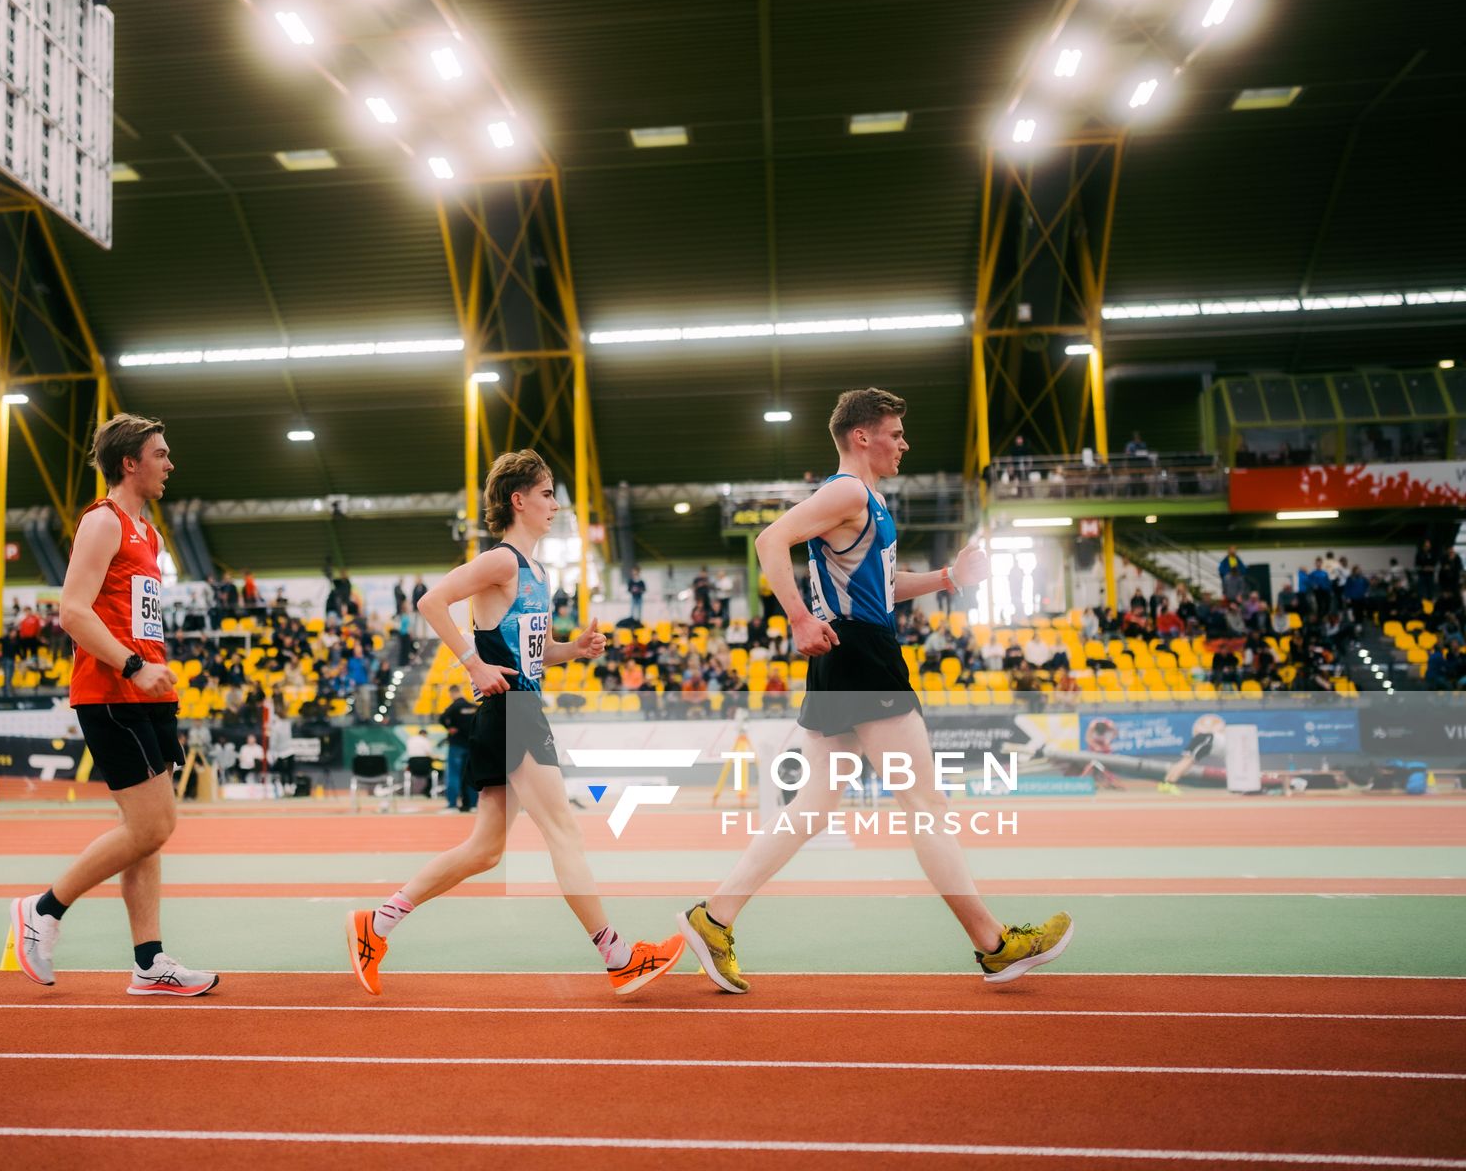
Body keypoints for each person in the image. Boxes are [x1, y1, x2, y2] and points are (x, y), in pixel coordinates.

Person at [676, 388, 1073, 994]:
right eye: (895, 433)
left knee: (812, 807)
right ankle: (993, 945)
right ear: (862, 437)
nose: (904, 443)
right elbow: (768, 541)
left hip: (847, 656)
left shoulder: (868, 502)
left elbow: (879, 588)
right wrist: (801, 618)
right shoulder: (848, 492)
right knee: (926, 806)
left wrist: (947, 578)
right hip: (861, 655)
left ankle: (715, 917)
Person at [348, 450, 684, 997]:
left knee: (484, 851)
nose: (555, 504)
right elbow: (431, 601)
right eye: (548, 493)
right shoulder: (501, 561)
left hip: (516, 706)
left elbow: (534, 651)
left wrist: (573, 649)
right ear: (518, 500)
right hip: (514, 710)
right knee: (564, 832)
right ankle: (619, 957)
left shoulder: (536, 572)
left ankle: (377, 923)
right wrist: (472, 662)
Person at [8, 413, 217, 999]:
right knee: (155, 824)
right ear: (130, 463)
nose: (170, 464)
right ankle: (42, 909)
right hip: (112, 691)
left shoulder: (148, 535)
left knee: (146, 833)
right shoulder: (103, 522)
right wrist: (132, 664)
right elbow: (72, 611)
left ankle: (149, 963)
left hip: (149, 692)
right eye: (161, 454)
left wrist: (154, 668)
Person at [437, 688, 479, 813]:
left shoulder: (453, 707)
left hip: (456, 745)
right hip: (472, 745)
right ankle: (473, 805)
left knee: (453, 775)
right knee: (471, 776)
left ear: (452, 693)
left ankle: (452, 805)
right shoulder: (474, 707)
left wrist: (450, 727)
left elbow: (442, 718)